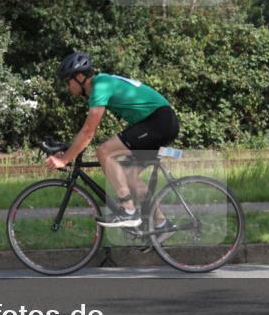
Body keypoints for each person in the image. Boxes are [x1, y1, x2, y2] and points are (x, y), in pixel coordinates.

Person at [45, 51, 179, 233]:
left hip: (157, 122)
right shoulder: (101, 84)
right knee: (129, 175)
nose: (68, 87)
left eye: (68, 81)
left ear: (80, 77)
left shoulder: (100, 86)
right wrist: (69, 151)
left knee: (104, 152)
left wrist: (65, 159)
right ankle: (162, 223)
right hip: (160, 122)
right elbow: (87, 130)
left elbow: (88, 133)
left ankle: (129, 212)